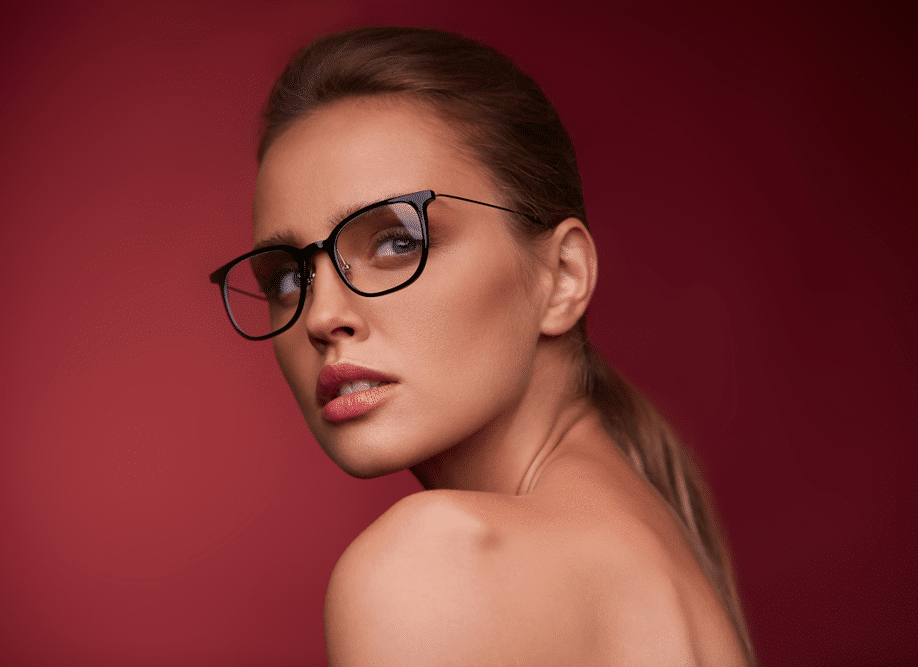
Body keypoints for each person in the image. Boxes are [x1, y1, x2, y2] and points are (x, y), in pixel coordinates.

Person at [209, 26, 754, 666]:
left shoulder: (436, 564)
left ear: (563, 277)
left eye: (396, 242)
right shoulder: (662, 559)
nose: (322, 316)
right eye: (288, 277)